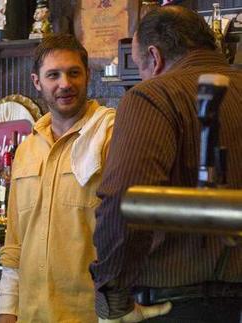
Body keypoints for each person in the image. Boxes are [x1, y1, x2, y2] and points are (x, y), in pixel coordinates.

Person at [91, 6, 242, 323]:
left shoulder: (152, 95)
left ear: (154, 56)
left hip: (181, 306)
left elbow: (124, 202)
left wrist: (113, 299)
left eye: (140, 66)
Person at [0, 33, 115, 322]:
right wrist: (6, 311)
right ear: (37, 82)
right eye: (53, 75)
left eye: (74, 72)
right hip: (30, 314)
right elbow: (14, 243)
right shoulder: (26, 150)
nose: (65, 84)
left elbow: (124, 235)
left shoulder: (110, 136)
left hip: (89, 315)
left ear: (87, 75)